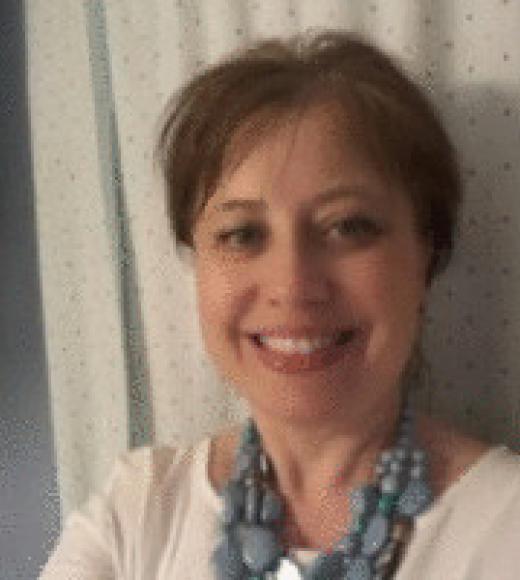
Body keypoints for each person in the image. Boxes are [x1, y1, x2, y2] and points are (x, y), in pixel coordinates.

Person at [40, 30, 520, 580]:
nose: (292, 285)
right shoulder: (138, 508)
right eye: (242, 234)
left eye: (347, 227)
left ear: (425, 258)